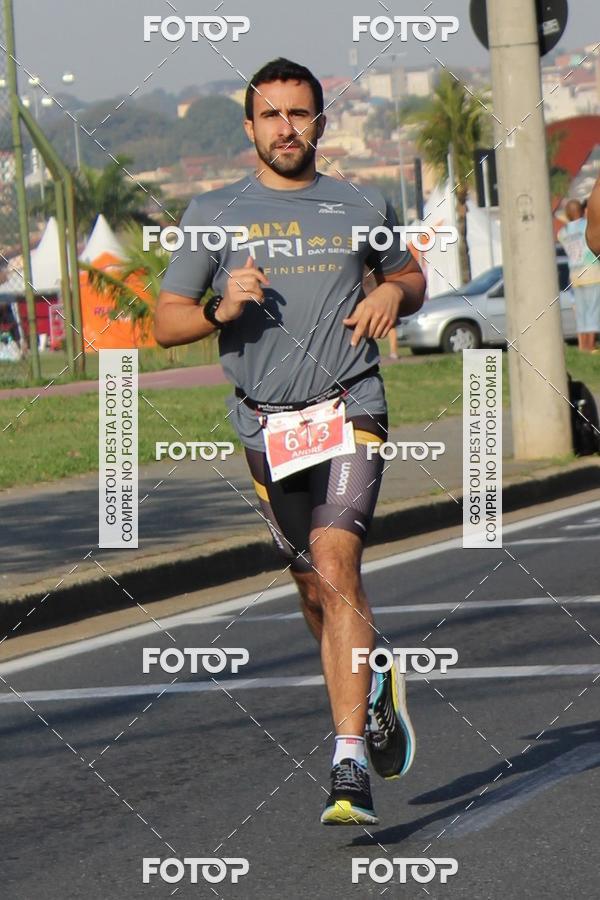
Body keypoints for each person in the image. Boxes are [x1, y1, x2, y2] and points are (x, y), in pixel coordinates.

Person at [155, 58, 425, 825]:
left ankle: (347, 766)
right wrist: (218, 308)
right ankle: (368, 682)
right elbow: (165, 319)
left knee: (338, 564)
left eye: (299, 114)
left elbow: (411, 278)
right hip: (266, 423)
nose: (286, 128)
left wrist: (387, 291)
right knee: (313, 585)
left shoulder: (357, 201)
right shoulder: (214, 210)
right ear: (249, 128)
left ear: (320, 123)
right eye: (271, 115)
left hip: (350, 408)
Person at [558, 198, 600, 352]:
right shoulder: (587, 226)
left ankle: (583, 347)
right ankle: (590, 347)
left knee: (581, 313)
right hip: (592, 272)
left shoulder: (562, 233)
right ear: (582, 211)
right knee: (593, 311)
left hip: (575, 275)